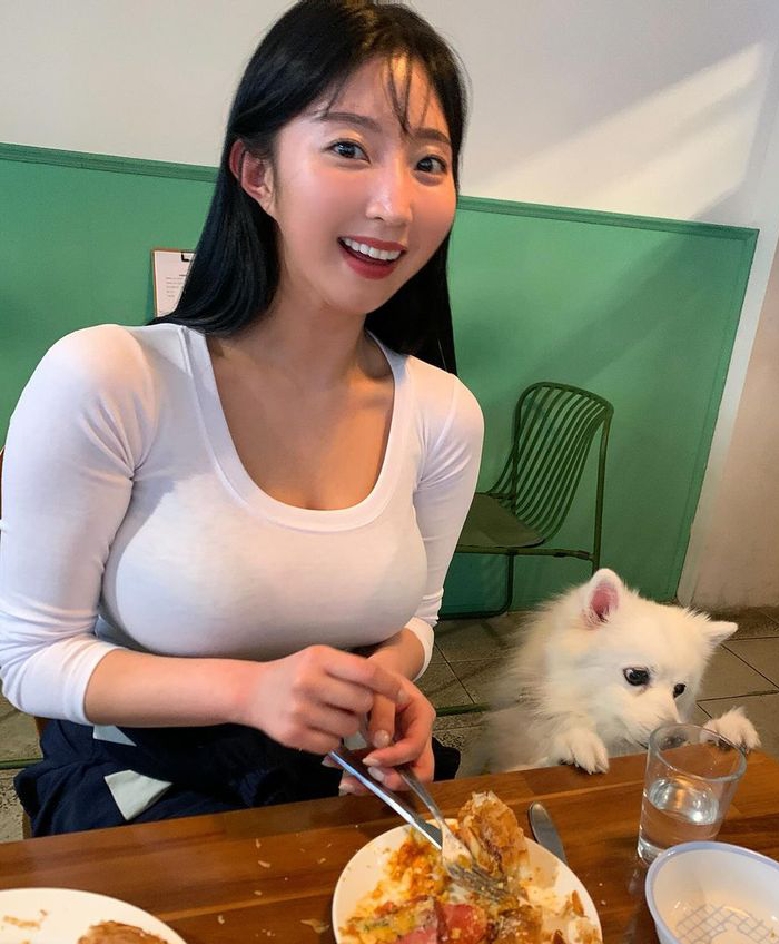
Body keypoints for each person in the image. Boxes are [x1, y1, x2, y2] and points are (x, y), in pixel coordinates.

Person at [0, 0, 483, 835]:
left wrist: (387, 686)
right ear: (256, 172)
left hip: (339, 777)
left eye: (429, 162)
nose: (395, 204)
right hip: (143, 781)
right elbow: (31, 658)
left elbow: (417, 618)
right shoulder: (112, 378)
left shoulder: (444, 414)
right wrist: (249, 690)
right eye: (348, 147)